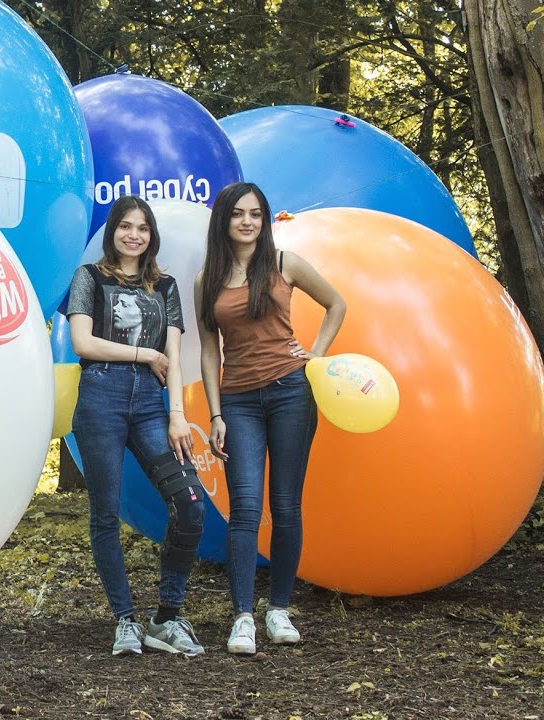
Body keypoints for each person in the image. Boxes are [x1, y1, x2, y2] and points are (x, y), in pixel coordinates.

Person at [193, 182, 346, 655]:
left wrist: (314, 356)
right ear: (224, 220)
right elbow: (207, 349)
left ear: (264, 220)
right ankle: (243, 617)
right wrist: (215, 413)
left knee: (285, 505)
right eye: (238, 214)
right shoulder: (207, 281)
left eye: (256, 214)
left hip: (289, 395)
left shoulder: (285, 265)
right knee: (244, 509)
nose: (248, 222)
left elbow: (336, 304)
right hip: (237, 402)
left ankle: (278, 609)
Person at [66, 194, 207, 657]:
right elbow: (83, 343)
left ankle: (166, 617)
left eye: (142, 228)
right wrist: (144, 354)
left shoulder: (164, 286)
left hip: (150, 404)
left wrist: (177, 415)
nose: (134, 234)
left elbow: (176, 355)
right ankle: (124, 621)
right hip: (101, 400)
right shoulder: (89, 278)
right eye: (126, 226)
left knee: (190, 506)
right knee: (104, 515)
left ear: (152, 235)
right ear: (113, 232)